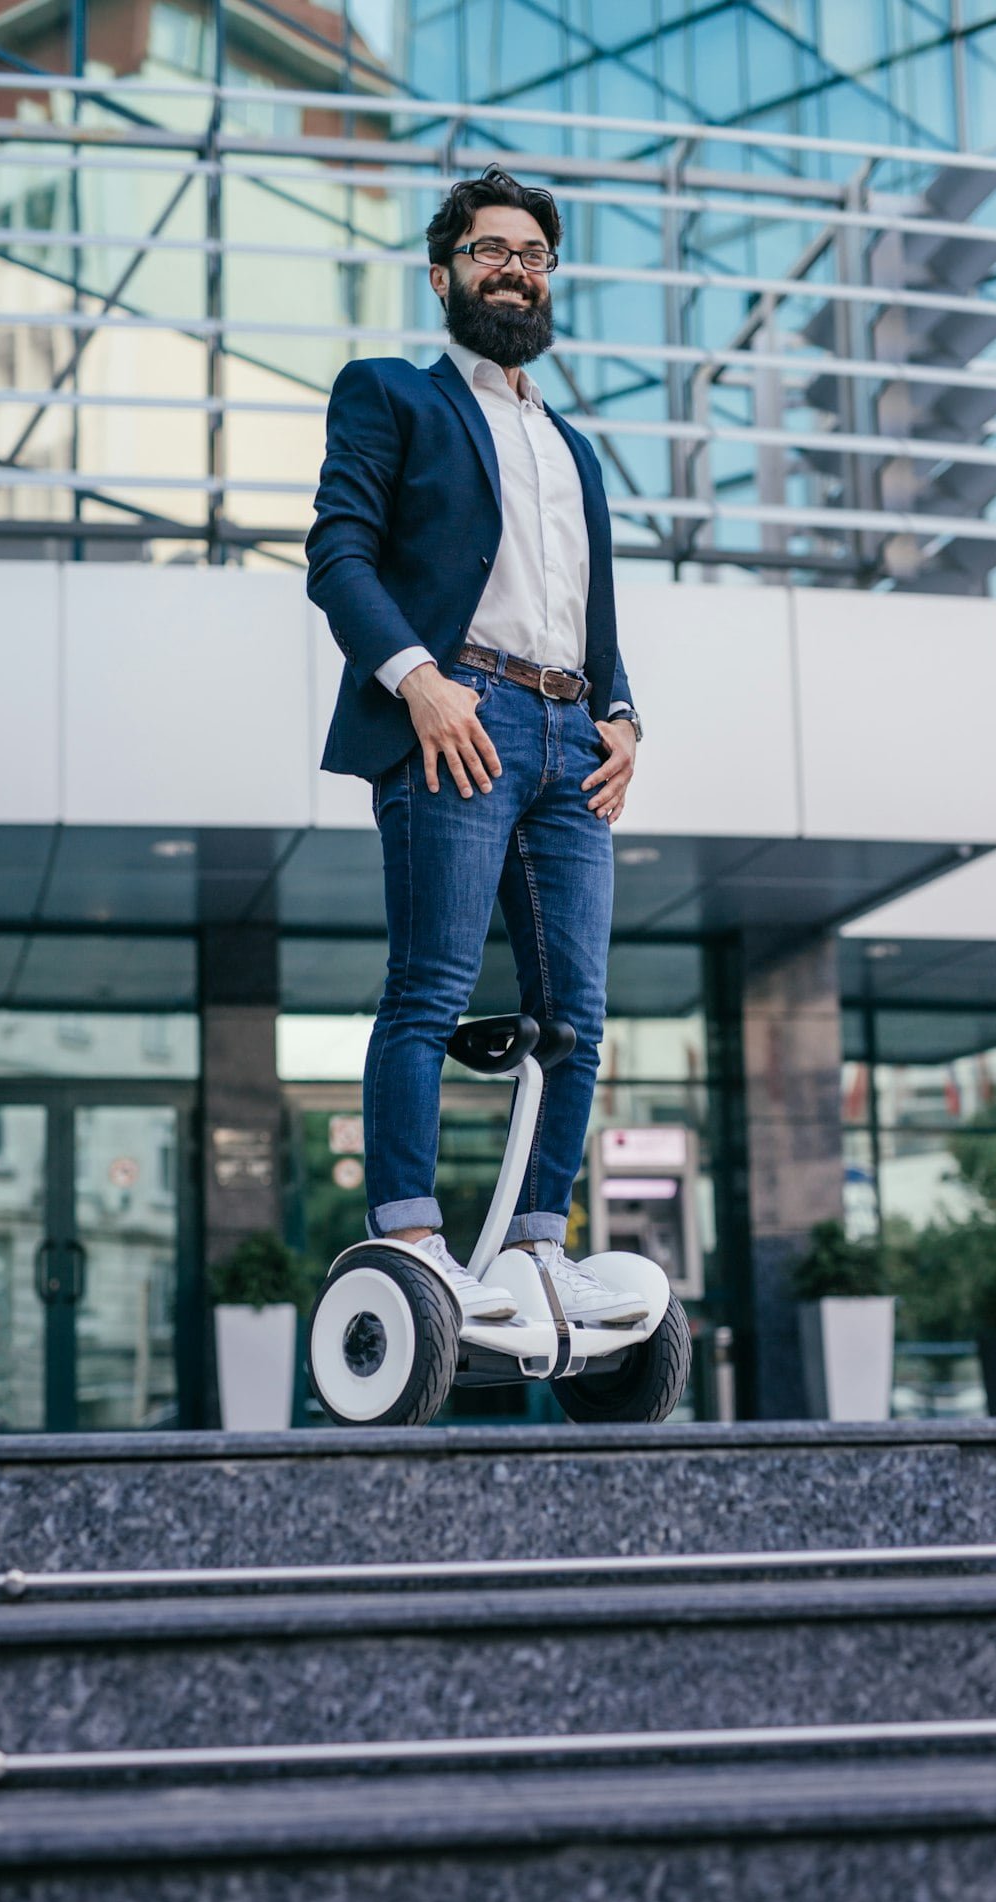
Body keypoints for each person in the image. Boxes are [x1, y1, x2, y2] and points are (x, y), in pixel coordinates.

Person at [306, 163, 647, 1329]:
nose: (514, 268)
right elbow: (338, 557)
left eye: (534, 255)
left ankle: (540, 1245)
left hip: (568, 738)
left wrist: (623, 711)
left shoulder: (573, 447)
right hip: (459, 723)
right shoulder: (392, 395)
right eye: (491, 248)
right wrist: (421, 685)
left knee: (577, 1015)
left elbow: (585, 609)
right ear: (445, 267)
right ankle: (408, 1233)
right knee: (431, 988)